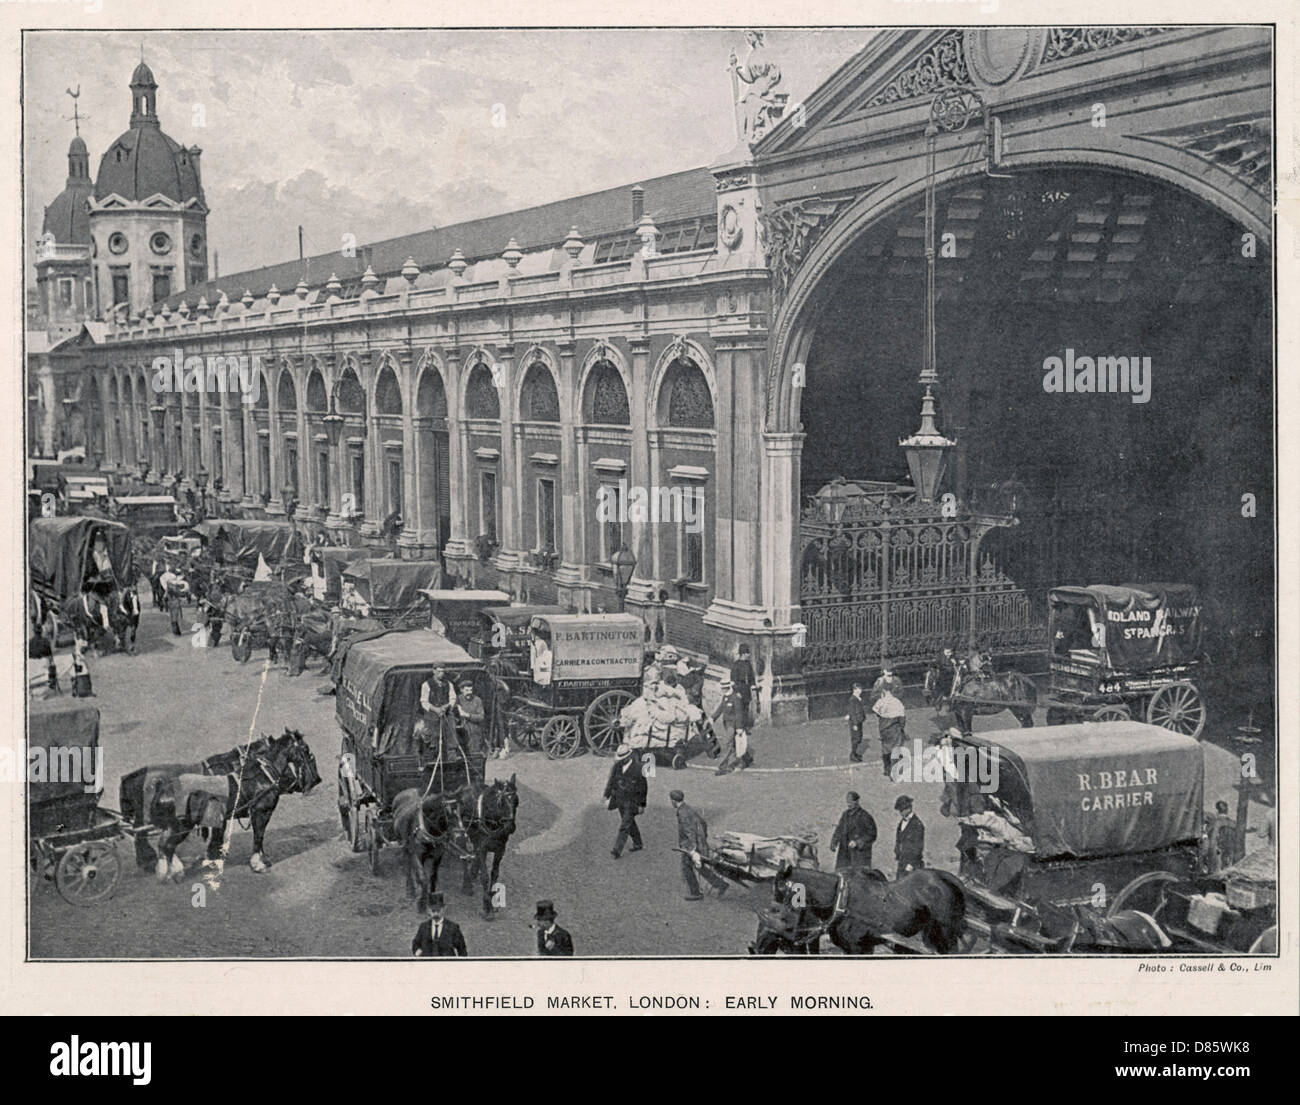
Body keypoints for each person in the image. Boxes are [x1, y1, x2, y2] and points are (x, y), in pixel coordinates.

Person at [671, 790, 728, 901]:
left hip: (690, 846)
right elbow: (703, 823)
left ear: (673, 801)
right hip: (699, 843)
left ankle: (695, 892)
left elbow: (689, 833)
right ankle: (720, 884)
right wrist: (702, 839)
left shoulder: (682, 814)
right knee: (699, 867)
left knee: (686, 868)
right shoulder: (688, 808)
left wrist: (692, 850)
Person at [604, 743, 647, 859]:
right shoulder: (617, 766)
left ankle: (616, 850)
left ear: (629, 756)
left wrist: (642, 804)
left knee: (624, 825)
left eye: (623, 758)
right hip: (619, 800)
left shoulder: (638, 768)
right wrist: (606, 795)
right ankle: (638, 843)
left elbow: (643, 788)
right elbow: (611, 781)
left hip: (632, 801)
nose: (621, 760)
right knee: (629, 822)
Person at [830, 791, 878, 870]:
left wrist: (858, 842)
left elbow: (872, 834)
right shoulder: (845, 815)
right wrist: (834, 842)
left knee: (858, 878)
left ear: (857, 802)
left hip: (859, 856)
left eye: (851, 802)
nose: (848, 804)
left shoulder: (865, 816)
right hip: (844, 854)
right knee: (841, 875)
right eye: (847, 802)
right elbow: (839, 829)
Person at [712, 679, 748, 775]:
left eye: (724, 688)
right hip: (727, 724)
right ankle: (742, 762)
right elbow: (721, 707)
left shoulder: (735, 698)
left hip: (734, 724)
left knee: (728, 743)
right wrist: (713, 717)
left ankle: (723, 766)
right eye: (722, 688)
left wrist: (739, 727)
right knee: (735, 745)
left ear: (728, 687)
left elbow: (739, 713)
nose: (722, 690)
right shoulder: (725, 697)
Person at [454, 677, 487, 783]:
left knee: (475, 759)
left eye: (471, 690)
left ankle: (478, 781)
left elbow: (481, 717)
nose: (469, 692)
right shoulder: (457, 700)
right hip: (461, 733)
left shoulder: (477, 700)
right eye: (467, 690)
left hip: (475, 733)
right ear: (461, 690)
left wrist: (467, 715)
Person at [419, 667, 457, 752]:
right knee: (432, 735)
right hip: (432, 714)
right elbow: (424, 701)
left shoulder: (449, 684)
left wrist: (447, 706)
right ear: (434, 671)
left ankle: (452, 752)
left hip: (446, 713)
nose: (441, 674)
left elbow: (453, 698)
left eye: (443, 671)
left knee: (451, 731)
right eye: (439, 671)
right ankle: (433, 753)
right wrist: (436, 709)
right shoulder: (426, 685)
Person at [873, 685, 907, 778]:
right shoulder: (897, 702)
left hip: (883, 729)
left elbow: (875, 710)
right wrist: (901, 727)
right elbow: (902, 718)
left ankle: (886, 769)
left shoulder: (880, 701)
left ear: (884, 691)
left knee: (885, 749)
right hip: (894, 728)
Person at [894, 795, 925, 879]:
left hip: (913, 865)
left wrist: (911, 864)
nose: (900, 813)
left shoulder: (917, 825)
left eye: (902, 810)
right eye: (900, 810)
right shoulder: (901, 823)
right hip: (902, 862)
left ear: (909, 808)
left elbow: (918, 847)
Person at [729, 644, 758, 723]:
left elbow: (752, 677)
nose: (748, 655)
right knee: (739, 709)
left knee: (746, 708)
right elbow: (733, 681)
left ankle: (745, 727)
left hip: (746, 689)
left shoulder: (748, 664)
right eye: (747, 653)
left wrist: (753, 686)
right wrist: (737, 692)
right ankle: (739, 727)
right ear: (743, 654)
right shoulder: (736, 665)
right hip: (739, 688)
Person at [158, 564, 188, 636]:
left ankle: (175, 629)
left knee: (173, 613)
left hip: (171, 599)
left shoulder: (168, 584)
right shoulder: (170, 585)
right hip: (174, 600)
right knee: (175, 613)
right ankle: (175, 630)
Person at [846, 681, 868, 763]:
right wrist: (855, 724)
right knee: (856, 739)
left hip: (859, 721)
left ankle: (855, 753)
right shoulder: (852, 699)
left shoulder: (858, 698)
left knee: (859, 737)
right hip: (855, 722)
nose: (860, 691)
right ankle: (853, 755)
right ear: (854, 690)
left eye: (860, 689)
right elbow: (852, 712)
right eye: (858, 689)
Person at [117, 585, 141, 654]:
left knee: (133, 628)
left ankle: (132, 644)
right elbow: (121, 603)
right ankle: (121, 641)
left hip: (133, 608)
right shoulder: (124, 594)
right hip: (125, 606)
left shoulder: (133, 594)